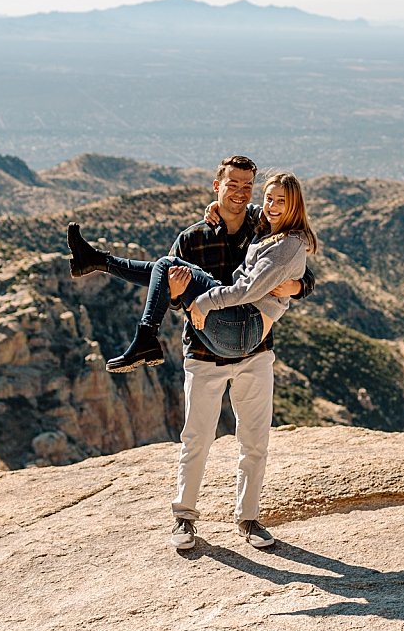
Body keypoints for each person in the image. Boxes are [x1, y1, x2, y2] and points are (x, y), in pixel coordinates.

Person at [66, 155, 316, 555]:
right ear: (216, 187)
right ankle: (184, 517)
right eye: (231, 184)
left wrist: (298, 287)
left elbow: (300, 267)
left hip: (254, 350)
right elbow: (168, 289)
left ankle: (248, 518)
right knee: (196, 439)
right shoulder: (192, 238)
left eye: (246, 186)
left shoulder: (263, 225)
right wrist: (188, 301)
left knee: (255, 440)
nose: (240, 193)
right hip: (204, 350)